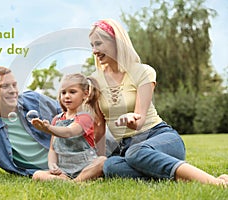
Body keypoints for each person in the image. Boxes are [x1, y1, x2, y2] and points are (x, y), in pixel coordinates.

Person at [89, 18, 228, 186]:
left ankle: (215, 182)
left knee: (136, 152)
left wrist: (132, 119)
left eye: (99, 44)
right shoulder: (94, 81)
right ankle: (177, 173)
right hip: (127, 149)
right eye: (92, 45)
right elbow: (99, 124)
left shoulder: (143, 72)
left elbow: (138, 122)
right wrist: (98, 159)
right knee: (110, 166)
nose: (95, 50)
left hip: (160, 139)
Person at [0, 66, 61, 188]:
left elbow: (69, 114)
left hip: (68, 159)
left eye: (14, 85)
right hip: (42, 173)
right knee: (39, 175)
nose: (12, 91)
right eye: (4, 86)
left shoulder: (34, 100)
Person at [31, 73, 106, 182]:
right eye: (63, 92)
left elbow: (69, 131)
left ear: (85, 95)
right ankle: (73, 181)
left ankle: (75, 181)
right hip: (64, 170)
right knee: (37, 175)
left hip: (86, 166)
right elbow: (52, 148)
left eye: (72, 92)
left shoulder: (85, 117)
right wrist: (52, 165)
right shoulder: (57, 120)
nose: (66, 96)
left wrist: (49, 128)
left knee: (102, 161)